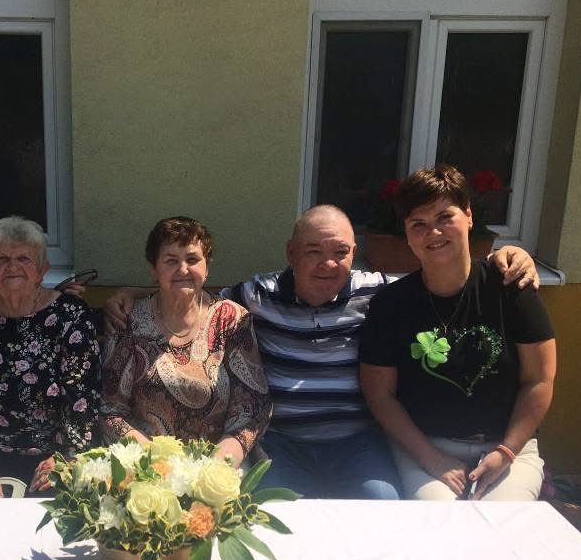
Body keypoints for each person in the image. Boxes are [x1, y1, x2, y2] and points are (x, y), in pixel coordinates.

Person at [104, 206, 539, 498]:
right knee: (275, 519)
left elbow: (444, 279)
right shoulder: (256, 295)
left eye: (340, 253)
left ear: (354, 254)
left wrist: (510, 255)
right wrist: (132, 294)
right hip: (282, 443)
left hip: (357, 443)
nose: (328, 264)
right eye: (314, 252)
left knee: (384, 511)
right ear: (291, 253)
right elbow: (193, 295)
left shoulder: (379, 293)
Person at [359, 165, 556, 500]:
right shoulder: (390, 304)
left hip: (508, 447)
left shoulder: (510, 288)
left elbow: (539, 379)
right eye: (418, 224)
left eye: (444, 217)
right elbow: (380, 395)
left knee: (501, 522)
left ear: (469, 216)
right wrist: (431, 458)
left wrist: (506, 452)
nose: (433, 232)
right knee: (441, 521)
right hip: (424, 448)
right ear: (407, 234)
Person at [0, 216, 101, 497]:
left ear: (43, 269)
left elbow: (83, 401)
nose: (12, 267)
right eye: (1, 259)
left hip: (56, 456)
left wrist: (64, 459)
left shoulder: (71, 318)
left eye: (24, 258)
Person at [100, 216, 271, 466]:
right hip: (145, 465)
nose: (183, 269)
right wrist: (158, 466)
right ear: (153, 269)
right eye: (171, 260)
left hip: (218, 463)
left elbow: (251, 407)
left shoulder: (231, 319)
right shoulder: (129, 320)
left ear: (207, 267)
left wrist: (215, 467)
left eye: (192, 259)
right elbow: (110, 410)